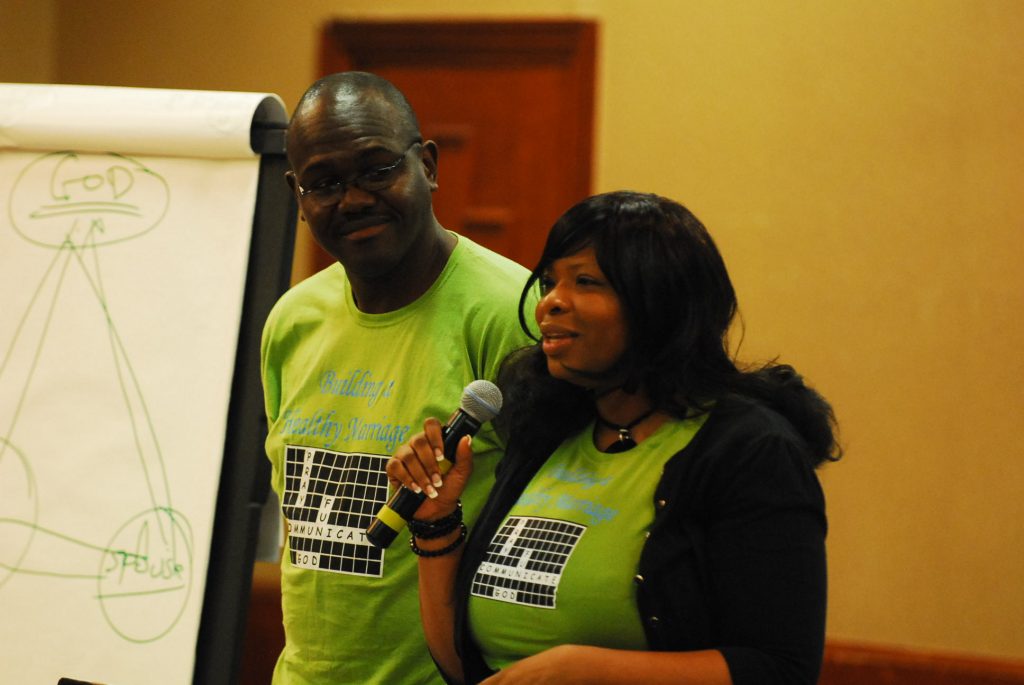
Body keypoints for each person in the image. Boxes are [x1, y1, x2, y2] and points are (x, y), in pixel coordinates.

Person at [389, 190, 841, 685]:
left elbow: (779, 669)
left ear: (660, 304)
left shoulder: (749, 451)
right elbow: (461, 665)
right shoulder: (547, 428)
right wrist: (435, 523)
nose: (551, 303)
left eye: (585, 281)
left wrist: (582, 671)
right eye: (549, 282)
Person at [259, 71, 536, 684]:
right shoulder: (292, 322)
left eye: (378, 169)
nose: (354, 199)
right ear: (296, 195)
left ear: (427, 166)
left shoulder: (508, 312)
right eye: (324, 183)